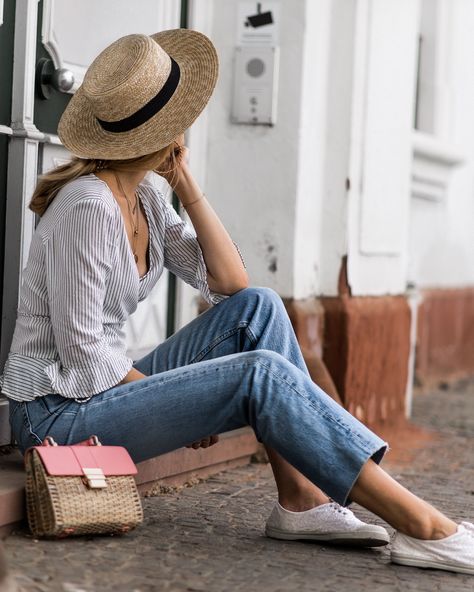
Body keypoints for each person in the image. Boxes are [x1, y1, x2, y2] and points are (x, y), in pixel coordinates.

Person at [1, 30, 472, 576]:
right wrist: (175, 396)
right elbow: (83, 354)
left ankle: (301, 502)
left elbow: (230, 281)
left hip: (103, 390)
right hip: (57, 414)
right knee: (257, 376)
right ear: (159, 129)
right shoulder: (88, 207)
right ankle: (422, 527)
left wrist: (185, 183)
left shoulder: (147, 194)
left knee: (260, 307)